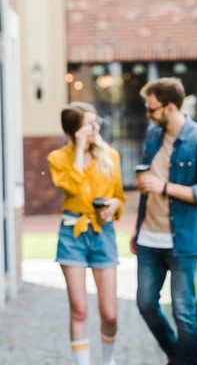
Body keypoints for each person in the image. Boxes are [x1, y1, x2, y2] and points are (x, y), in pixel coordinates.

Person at [132, 78, 197, 365]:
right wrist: (137, 229)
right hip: (148, 238)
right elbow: (149, 182)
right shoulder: (153, 135)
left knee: (183, 311)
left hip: (183, 241)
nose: (148, 114)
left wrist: (164, 186)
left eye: (152, 109)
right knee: (145, 304)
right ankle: (177, 355)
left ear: (170, 107)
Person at [48, 102, 126, 365]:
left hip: (103, 234)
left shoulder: (111, 156)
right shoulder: (58, 158)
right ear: (74, 131)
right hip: (73, 235)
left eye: (97, 123)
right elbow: (71, 188)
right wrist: (79, 150)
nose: (96, 128)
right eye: (89, 124)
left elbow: (119, 196)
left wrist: (114, 206)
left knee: (110, 313)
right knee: (79, 310)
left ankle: (108, 360)